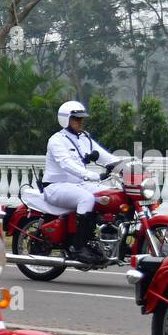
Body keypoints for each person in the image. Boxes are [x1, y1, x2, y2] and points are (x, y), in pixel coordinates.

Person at [40, 100, 119, 265]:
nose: (80, 121)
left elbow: (107, 157)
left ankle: (97, 239)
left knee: (110, 194)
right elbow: (67, 164)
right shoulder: (56, 140)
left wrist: (129, 165)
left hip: (78, 185)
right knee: (87, 199)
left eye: (82, 118)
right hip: (56, 187)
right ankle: (78, 246)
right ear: (66, 119)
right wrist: (92, 175)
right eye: (76, 118)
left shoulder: (84, 138)